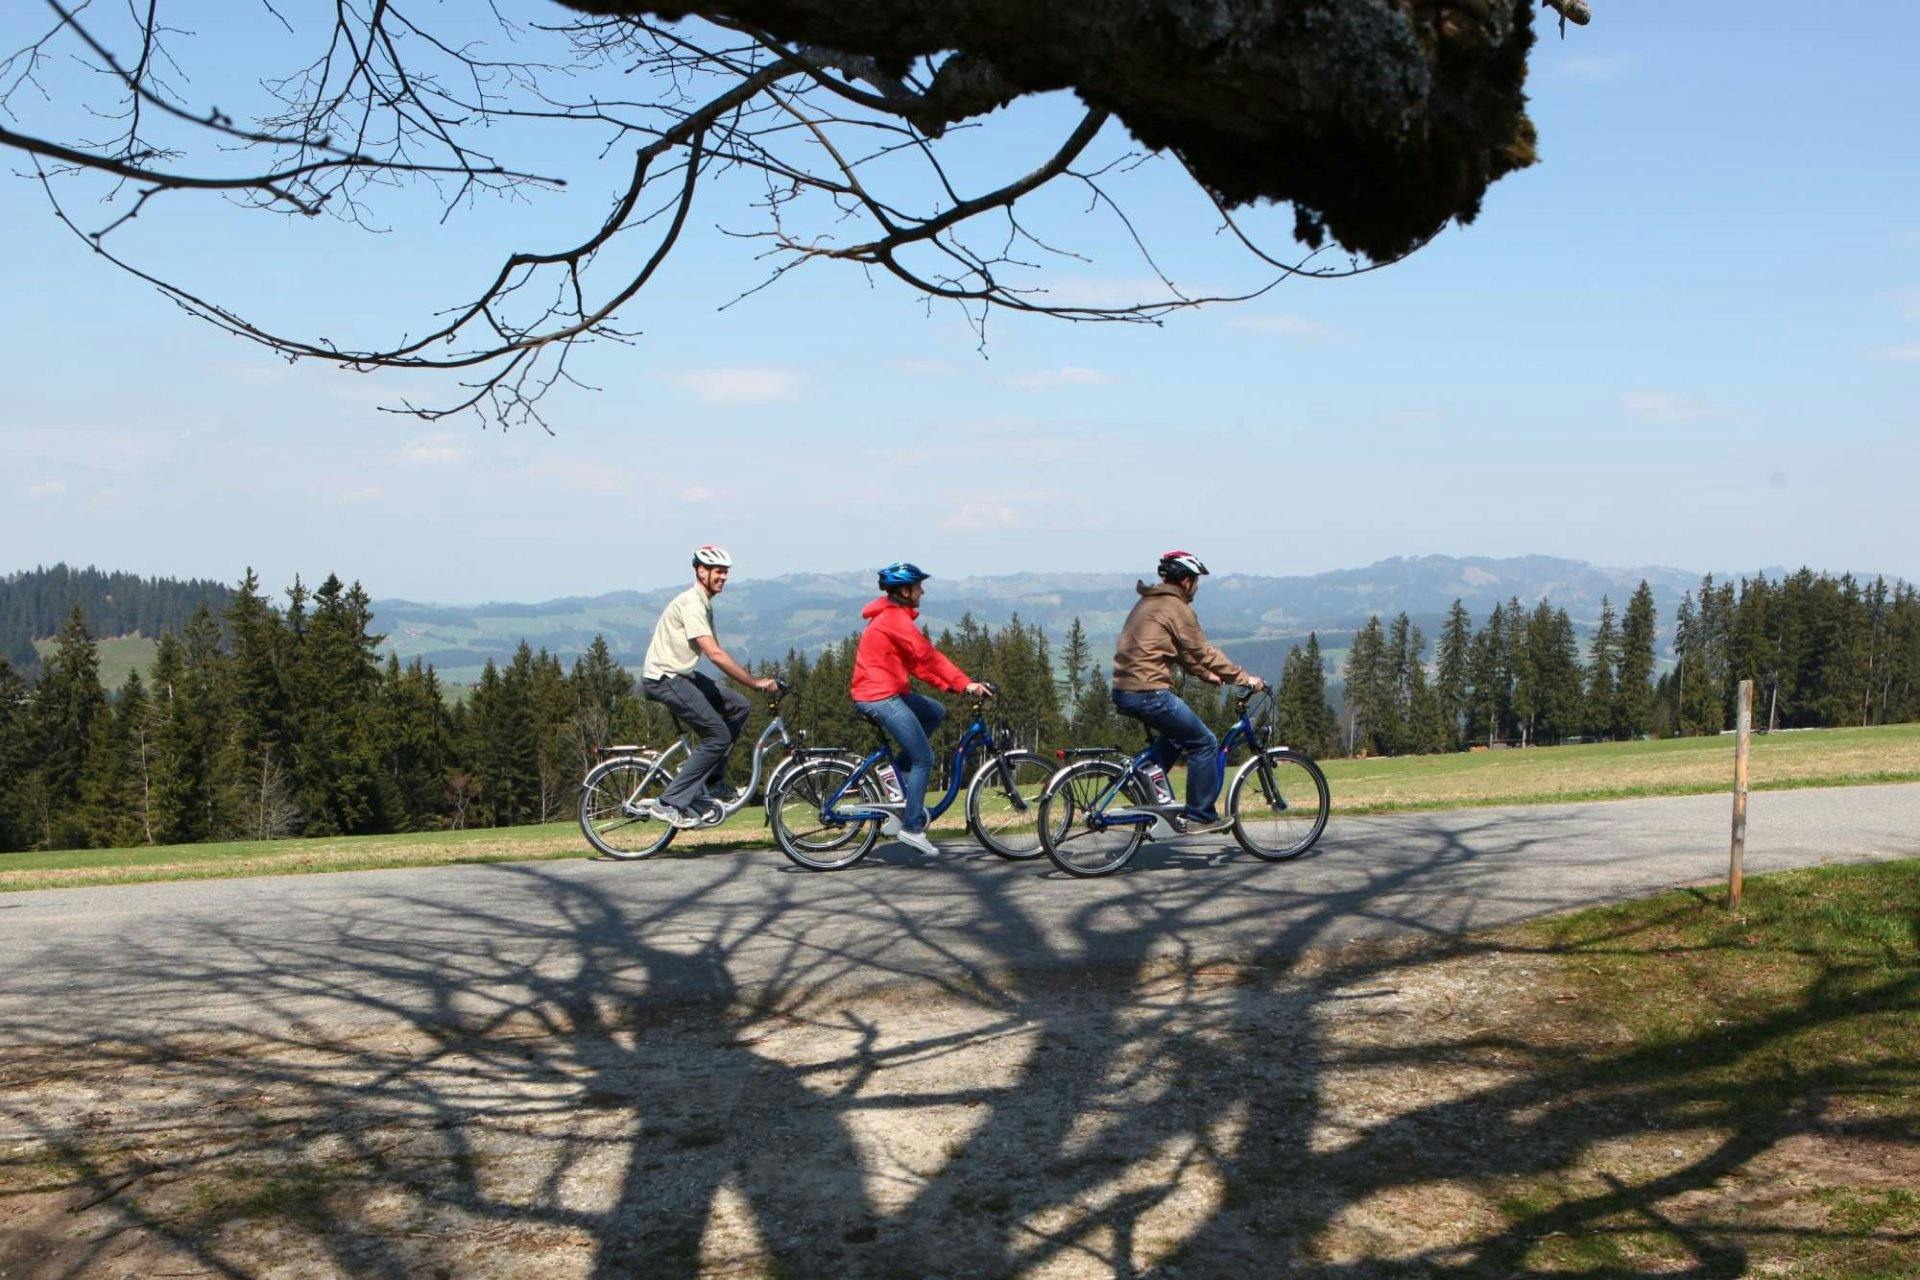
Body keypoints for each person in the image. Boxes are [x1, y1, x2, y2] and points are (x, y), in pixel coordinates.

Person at [1110, 551, 1266, 828]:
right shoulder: (1176, 607)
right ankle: (1200, 815)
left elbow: (1178, 651)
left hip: (1125, 690)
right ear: (1185, 581)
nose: (1196, 587)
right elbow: (1203, 651)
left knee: (1176, 737)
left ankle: (1141, 780)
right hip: (1149, 692)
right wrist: (1244, 678)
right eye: (1196, 580)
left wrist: (1205, 675)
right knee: (1204, 743)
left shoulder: (1148, 602)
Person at [850, 562, 993, 856]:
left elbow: (917, 665)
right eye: (918, 587)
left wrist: (953, 687)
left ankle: (900, 778)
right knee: (924, 758)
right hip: (879, 696)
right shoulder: (894, 620)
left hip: (886, 691)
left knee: (934, 712)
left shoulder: (893, 617)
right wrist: (966, 683)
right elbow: (930, 656)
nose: (922, 592)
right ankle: (913, 827)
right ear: (904, 591)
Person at [640, 545, 780, 828]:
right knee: (717, 734)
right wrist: (753, 681)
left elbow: (715, 649)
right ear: (701, 571)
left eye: (726, 571)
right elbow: (714, 654)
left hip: (681, 674)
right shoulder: (692, 603)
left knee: (739, 706)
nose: (724, 577)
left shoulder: (703, 603)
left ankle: (711, 776)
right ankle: (669, 802)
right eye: (718, 571)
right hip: (665, 678)